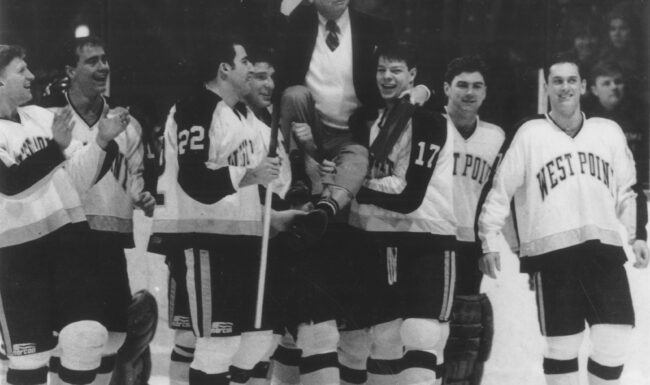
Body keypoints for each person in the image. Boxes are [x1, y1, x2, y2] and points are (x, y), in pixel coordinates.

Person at [478, 52, 649, 385]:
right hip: (552, 256)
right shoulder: (528, 133)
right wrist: (488, 240)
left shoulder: (608, 131)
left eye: (572, 80)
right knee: (562, 345)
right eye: (557, 81)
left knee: (615, 337)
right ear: (547, 87)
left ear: (583, 86)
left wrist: (637, 235)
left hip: (603, 251)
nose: (565, 87)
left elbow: (627, 190)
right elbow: (499, 191)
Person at [147, 36, 297, 385]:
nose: (251, 71)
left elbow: (270, 185)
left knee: (256, 341)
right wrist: (252, 175)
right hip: (202, 238)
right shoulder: (195, 107)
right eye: (246, 63)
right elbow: (195, 178)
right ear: (224, 69)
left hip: (242, 240)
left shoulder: (245, 119)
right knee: (219, 344)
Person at [0, 44, 125, 385]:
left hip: (69, 244)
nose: (31, 76)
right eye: (21, 70)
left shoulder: (42, 118)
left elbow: (79, 178)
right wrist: (54, 148)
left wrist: (102, 140)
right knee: (30, 363)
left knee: (87, 339)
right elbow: (10, 182)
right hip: (16, 257)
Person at [45, 35, 156, 385]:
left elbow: (136, 180)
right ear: (70, 70)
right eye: (92, 60)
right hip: (63, 242)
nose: (103, 66)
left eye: (105, 59)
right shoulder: (48, 118)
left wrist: (143, 197)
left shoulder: (128, 124)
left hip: (110, 244)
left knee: (112, 338)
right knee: (70, 341)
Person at [346, 41, 456, 385]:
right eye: (381, 70)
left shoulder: (430, 121)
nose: (387, 77)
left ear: (412, 75)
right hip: (376, 238)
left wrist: (357, 188)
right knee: (384, 338)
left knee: (422, 334)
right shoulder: (366, 120)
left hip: (427, 239)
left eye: (396, 70)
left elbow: (410, 196)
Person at [278, 0, 431, 242]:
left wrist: (423, 89)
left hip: (353, 130)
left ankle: (326, 210)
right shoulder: (296, 25)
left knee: (358, 159)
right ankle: (298, 178)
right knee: (294, 94)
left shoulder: (377, 26)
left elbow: (402, 64)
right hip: (308, 127)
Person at [442, 55, 504, 385]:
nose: (469, 92)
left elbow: (497, 196)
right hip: (430, 238)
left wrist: (488, 243)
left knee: (466, 329)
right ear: (446, 88)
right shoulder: (430, 126)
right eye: (462, 85)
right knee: (427, 328)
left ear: (485, 92)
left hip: (469, 243)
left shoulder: (495, 137)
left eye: (476, 86)